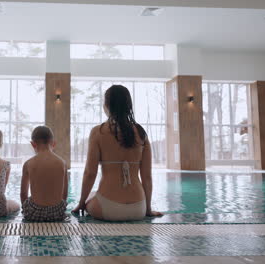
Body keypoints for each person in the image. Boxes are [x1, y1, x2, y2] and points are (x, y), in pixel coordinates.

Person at [72, 85, 163, 221]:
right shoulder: (141, 133)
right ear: (128, 106)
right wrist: (148, 209)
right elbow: (147, 177)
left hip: (108, 208)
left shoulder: (98, 132)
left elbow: (90, 173)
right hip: (138, 208)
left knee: (92, 195)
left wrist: (81, 204)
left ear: (107, 105)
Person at [20, 126, 68, 222]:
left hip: (34, 214)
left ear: (33, 144)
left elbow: (23, 194)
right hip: (57, 214)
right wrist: (60, 209)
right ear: (53, 143)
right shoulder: (62, 163)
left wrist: (26, 210)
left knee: (30, 199)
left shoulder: (28, 164)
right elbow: (65, 193)